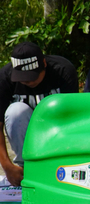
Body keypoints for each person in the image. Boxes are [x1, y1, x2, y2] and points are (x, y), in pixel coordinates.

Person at [0, 43, 79, 186]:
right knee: (15, 111)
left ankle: (55, 162)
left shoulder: (63, 71)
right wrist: (7, 167)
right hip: (26, 133)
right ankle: (25, 166)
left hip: (56, 128)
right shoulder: (5, 77)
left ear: (44, 63)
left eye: (32, 76)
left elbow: (72, 119)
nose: (27, 81)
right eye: (22, 77)